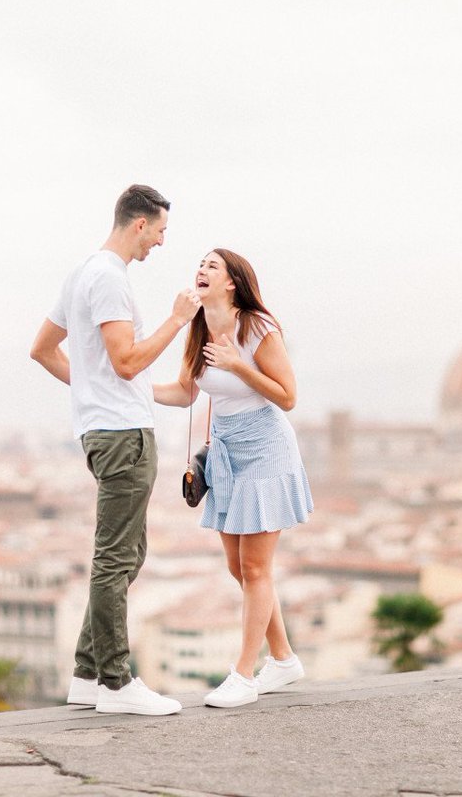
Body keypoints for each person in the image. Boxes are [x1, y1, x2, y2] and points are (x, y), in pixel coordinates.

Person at [30, 184, 201, 716]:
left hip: (103, 427)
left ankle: (86, 673)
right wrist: (177, 319)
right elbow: (126, 361)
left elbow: (41, 349)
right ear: (139, 225)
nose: (161, 243)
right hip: (123, 434)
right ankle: (115, 681)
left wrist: (92, 393)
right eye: (160, 232)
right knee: (114, 558)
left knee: (127, 554)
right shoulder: (108, 278)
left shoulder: (83, 273)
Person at [154, 248, 313, 708]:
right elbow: (185, 392)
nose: (201, 270)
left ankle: (244, 674)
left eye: (212, 266)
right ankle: (283, 659)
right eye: (199, 265)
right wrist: (133, 392)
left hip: (265, 448)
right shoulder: (199, 328)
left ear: (232, 283)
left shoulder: (258, 328)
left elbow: (288, 397)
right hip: (225, 455)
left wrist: (238, 364)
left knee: (257, 567)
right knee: (237, 567)